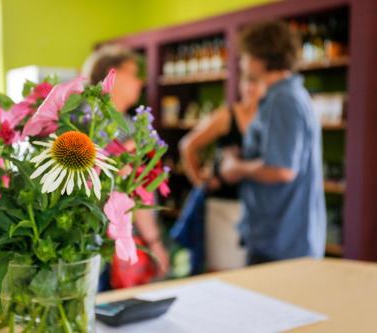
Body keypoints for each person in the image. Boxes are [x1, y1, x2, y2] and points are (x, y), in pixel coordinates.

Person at [220, 21, 326, 265]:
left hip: (281, 239)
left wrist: (236, 167)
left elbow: (282, 170)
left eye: (245, 55)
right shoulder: (288, 96)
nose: (242, 62)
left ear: (261, 56)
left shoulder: (282, 100)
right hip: (283, 235)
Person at [82, 45, 170, 286]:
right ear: (113, 75)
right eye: (133, 72)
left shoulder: (87, 117)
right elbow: (131, 187)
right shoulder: (102, 124)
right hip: (117, 242)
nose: (140, 81)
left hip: (94, 239)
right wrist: (154, 243)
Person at [179, 75, 266, 270]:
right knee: (221, 270)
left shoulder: (269, 119)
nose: (251, 87)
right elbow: (187, 146)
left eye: (257, 80)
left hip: (259, 209)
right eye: (247, 80)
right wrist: (200, 181)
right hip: (224, 207)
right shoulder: (226, 116)